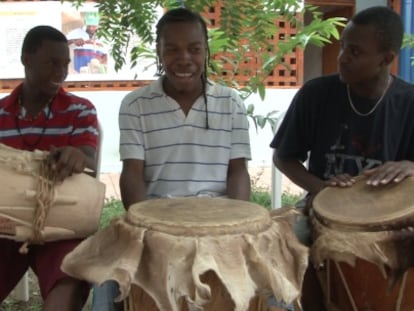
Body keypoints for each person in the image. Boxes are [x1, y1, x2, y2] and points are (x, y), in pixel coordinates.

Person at [92, 7, 251, 311]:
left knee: (274, 284)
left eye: (194, 49)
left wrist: (237, 223)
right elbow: (133, 174)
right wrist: (145, 226)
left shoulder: (231, 103)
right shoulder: (135, 105)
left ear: (207, 50)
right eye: (172, 49)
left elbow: (237, 172)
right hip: (157, 218)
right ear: (159, 52)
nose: (184, 59)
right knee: (106, 281)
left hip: (216, 219)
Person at [270, 6, 414, 310]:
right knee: (278, 245)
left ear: (386, 59)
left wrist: (411, 165)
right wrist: (321, 188)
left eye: (355, 52)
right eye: (344, 47)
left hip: (390, 220)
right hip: (320, 211)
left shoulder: (409, 103)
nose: (342, 57)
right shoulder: (316, 94)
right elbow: (285, 158)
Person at [0, 25, 99, 310]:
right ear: (26, 59)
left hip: (62, 226)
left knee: (63, 292)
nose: (61, 72)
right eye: (51, 63)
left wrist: (77, 157)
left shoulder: (80, 110)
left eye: (65, 64)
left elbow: (88, 159)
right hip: (5, 227)